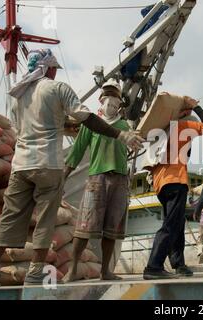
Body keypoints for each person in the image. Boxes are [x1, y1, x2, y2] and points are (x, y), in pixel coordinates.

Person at [0, 49, 144, 288]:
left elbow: (19, 128)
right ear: (48, 68)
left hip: (20, 166)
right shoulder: (57, 89)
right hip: (48, 164)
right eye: (54, 68)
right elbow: (85, 118)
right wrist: (120, 134)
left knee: (9, 216)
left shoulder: (16, 94)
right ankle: (36, 272)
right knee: (46, 218)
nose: (56, 71)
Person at [62, 79, 141, 282]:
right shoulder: (91, 125)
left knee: (112, 229)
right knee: (84, 226)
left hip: (121, 180)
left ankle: (105, 271)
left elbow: (133, 149)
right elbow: (77, 150)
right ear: (101, 100)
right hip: (97, 177)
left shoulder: (125, 126)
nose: (112, 104)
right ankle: (72, 270)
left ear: (120, 105)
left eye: (116, 101)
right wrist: (63, 176)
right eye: (109, 99)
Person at [142, 97, 203, 280]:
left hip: (161, 184)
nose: (192, 116)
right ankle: (154, 266)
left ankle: (179, 264)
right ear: (183, 113)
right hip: (176, 181)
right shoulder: (182, 127)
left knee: (176, 223)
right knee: (170, 225)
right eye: (189, 113)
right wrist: (196, 106)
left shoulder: (161, 133)